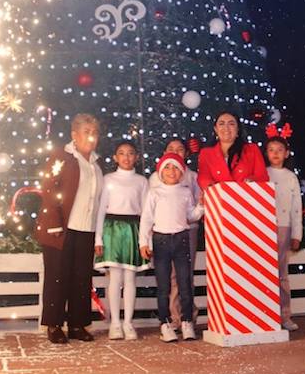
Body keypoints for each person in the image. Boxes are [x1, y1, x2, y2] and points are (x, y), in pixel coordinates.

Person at [34, 114, 105, 344]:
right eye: (86, 131)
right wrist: (53, 222)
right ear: (74, 135)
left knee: (81, 279)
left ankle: (77, 324)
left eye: (94, 132)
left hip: (86, 230)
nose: (91, 136)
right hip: (61, 229)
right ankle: (54, 325)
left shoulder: (96, 164)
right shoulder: (61, 157)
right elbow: (48, 189)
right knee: (57, 277)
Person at [139, 153, 204, 342]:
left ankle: (186, 322)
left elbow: (191, 215)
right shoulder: (155, 193)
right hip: (161, 240)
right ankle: (164, 323)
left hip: (181, 238)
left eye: (175, 167)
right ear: (160, 172)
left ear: (182, 172)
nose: (171, 171)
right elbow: (146, 219)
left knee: (184, 282)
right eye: (167, 167)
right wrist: (144, 242)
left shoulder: (185, 192)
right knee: (164, 285)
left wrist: (201, 206)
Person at [94, 140, 149, 340]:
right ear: (115, 157)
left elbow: (146, 213)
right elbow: (100, 210)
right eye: (122, 153)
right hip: (112, 230)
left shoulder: (142, 181)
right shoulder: (108, 179)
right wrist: (98, 238)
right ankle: (115, 323)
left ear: (136, 157)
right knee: (115, 278)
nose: (126, 157)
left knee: (130, 279)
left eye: (130, 153)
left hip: (132, 230)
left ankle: (128, 323)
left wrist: (145, 241)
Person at [265, 136, 303, 331]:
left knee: (281, 272)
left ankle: (284, 315)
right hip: (265, 227)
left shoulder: (290, 177)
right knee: (265, 271)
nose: (275, 153)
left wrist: (297, 234)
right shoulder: (262, 174)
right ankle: (266, 315)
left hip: (284, 227)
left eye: (279, 150)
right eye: (271, 149)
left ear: (286, 153)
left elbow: (297, 208)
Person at [197, 111, 269, 189]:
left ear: (238, 129)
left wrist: (250, 181)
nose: (226, 128)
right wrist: (213, 188)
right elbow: (203, 178)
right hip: (219, 199)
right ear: (216, 129)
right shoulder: (206, 153)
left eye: (231, 124)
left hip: (247, 198)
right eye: (221, 124)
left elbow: (262, 176)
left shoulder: (252, 149)